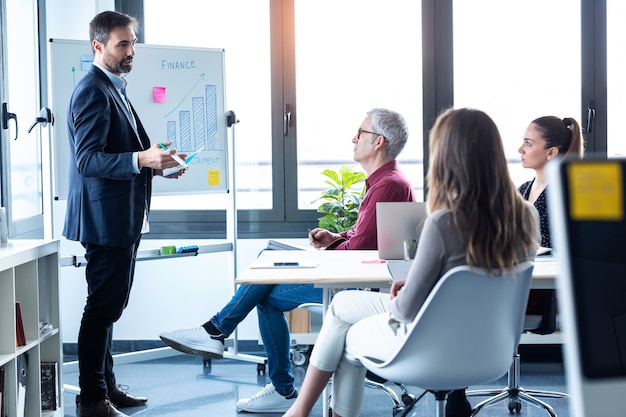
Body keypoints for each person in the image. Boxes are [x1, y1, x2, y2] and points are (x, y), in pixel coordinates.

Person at [281, 107, 541, 417]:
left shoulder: (443, 223)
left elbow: (405, 310)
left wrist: (403, 293)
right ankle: (299, 411)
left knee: (344, 329)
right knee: (344, 317)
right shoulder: (527, 217)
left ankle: (300, 411)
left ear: (446, 156)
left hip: (429, 346)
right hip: (493, 351)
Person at [159, 108, 416, 413]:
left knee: (266, 284)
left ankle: (224, 338)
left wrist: (330, 250)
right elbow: (366, 235)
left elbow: (360, 249)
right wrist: (334, 238)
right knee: (268, 268)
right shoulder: (385, 180)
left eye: (360, 132)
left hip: (356, 284)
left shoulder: (387, 184)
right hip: (355, 273)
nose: (353, 138)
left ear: (378, 142)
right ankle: (221, 336)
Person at [63, 11, 187, 417]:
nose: (131, 51)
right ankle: (92, 399)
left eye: (133, 42)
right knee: (101, 309)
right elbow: (88, 160)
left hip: (120, 217)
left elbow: (121, 154)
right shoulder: (92, 90)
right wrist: (140, 158)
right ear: (98, 46)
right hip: (105, 220)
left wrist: (158, 162)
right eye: (122, 44)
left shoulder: (114, 88)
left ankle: (107, 388)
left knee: (110, 307)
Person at [517, 116, 584, 331]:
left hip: (550, 291)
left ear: (551, 152)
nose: (520, 149)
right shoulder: (522, 191)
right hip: (523, 282)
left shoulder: (567, 193)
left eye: (528, 143)